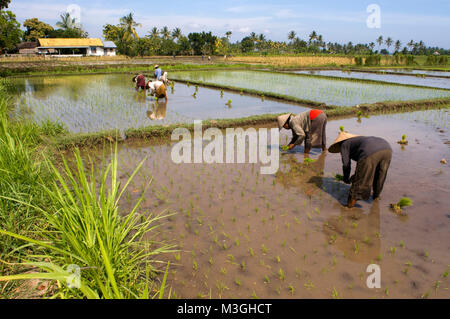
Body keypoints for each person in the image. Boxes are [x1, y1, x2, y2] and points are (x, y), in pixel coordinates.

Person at [328, 131, 392, 208]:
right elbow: (364, 166)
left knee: (359, 181)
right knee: (380, 175)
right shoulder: (357, 140)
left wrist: (346, 178)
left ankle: (349, 205)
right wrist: (355, 175)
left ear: (339, 143)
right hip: (387, 148)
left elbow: (346, 164)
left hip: (370, 150)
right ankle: (376, 197)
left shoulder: (344, 145)